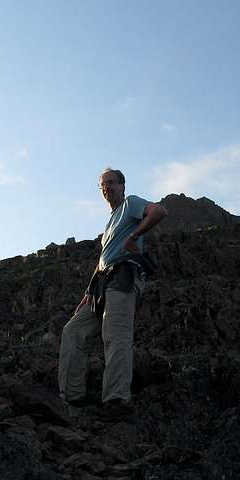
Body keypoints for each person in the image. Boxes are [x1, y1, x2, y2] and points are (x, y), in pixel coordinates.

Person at [58, 168, 168, 417]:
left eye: (111, 182)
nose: (106, 187)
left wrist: (135, 235)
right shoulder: (110, 221)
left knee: (114, 334)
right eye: (102, 185)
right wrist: (89, 291)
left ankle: (116, 401)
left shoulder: (131, 203)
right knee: (73, 330)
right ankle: (71, 398)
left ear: (122, 186)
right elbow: (103, 260)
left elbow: (159, 211)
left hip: (123, 276)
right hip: (102, 283)